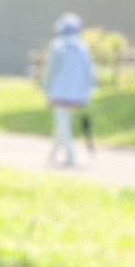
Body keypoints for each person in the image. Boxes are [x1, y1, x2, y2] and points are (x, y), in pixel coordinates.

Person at [42, 12, 97, 167]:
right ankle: (53, 154)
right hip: (77, 93)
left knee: (62, 123)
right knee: (63, 123)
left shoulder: (57, 46)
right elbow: (89, 72)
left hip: (59, 92)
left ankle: (71, 155)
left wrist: (46, 88)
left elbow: (51, 71)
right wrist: (89, 90)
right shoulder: (83, 48)